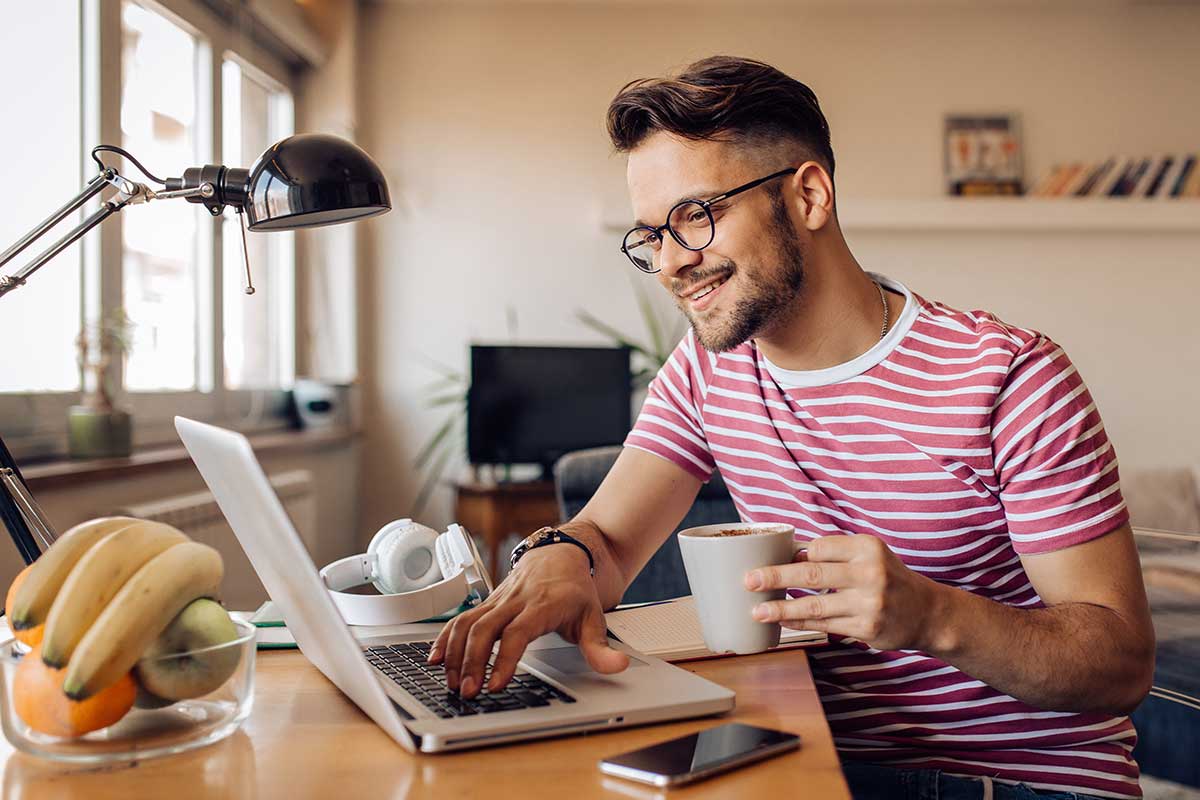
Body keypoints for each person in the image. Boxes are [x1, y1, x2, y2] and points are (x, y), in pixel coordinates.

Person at [429, 56, 1154, 800]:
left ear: (808, 195)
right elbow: (608, 541)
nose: (672, 264)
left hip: (1018, 782)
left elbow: (1122, 665)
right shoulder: (710, 369)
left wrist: (934, 615)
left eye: (696, 216)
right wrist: (561, 554)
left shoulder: (1009, 376)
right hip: (808, 764)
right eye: (652, 236)